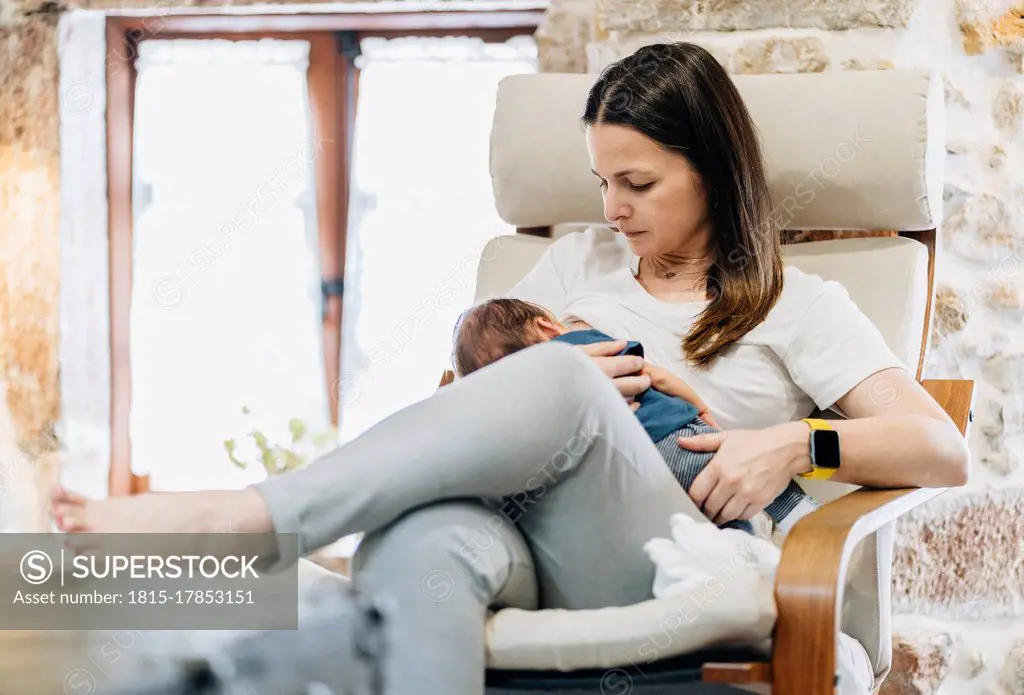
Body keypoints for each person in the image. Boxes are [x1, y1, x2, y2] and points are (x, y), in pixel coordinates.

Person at [50, 42, 969, 695]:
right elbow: (473, 395)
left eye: (637, 184)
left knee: (563, 380)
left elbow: (939, 447)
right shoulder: (575, 262)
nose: (611, 209)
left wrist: (788, 444)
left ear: (712, 171)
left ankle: (247, 515)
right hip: (519, 540)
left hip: (665, 551)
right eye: (602, 181)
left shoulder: (799, 303)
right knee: (425, 545)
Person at [451, 296, 819, 535]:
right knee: (738, 472)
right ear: (548, 327)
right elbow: (653, 375)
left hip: (624, 478)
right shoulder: (583, 346)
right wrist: (699, 405)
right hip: (677, 438)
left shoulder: (514, 403)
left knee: (705, 526)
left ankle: (734, 552)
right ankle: (798, 516)